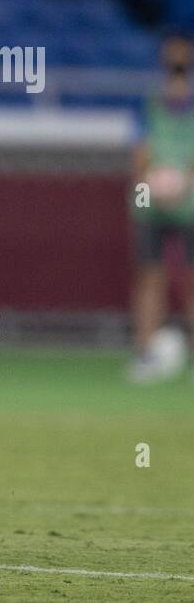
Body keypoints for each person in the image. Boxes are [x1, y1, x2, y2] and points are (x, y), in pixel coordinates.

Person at [128, 33, 194, 383]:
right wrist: (150, 181)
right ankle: (145, 352)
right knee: (150, 276)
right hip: (150, 204)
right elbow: (139, 149)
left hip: (191, 205)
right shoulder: (149, 103)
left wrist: (184, 181)